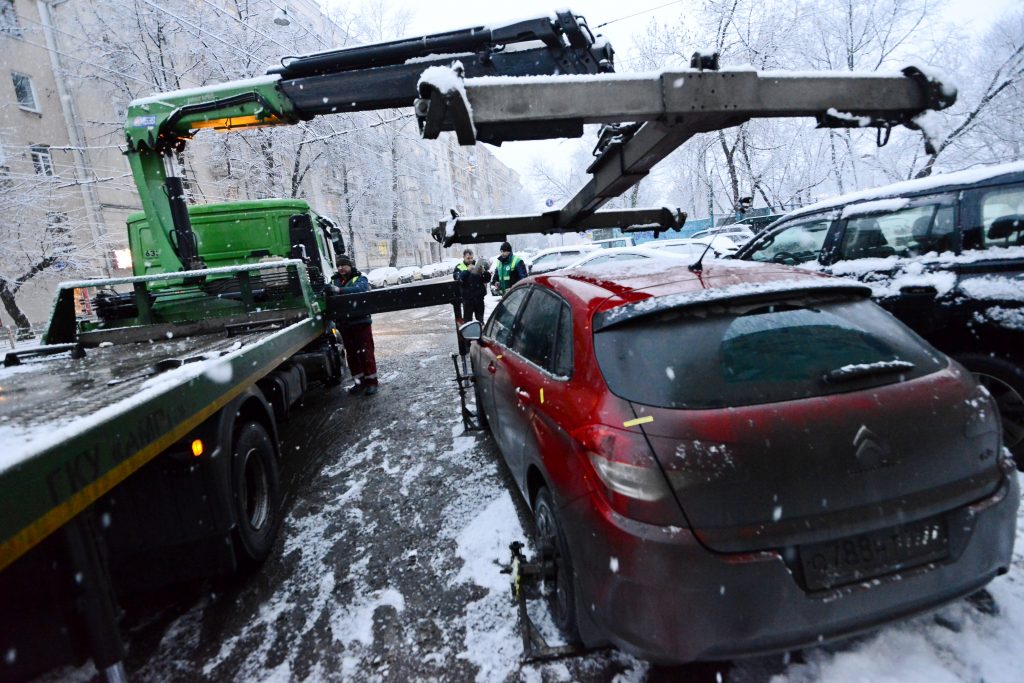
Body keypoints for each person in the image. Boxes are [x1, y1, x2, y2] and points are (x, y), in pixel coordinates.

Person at [331, 255, 379, 396]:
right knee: (352, 355)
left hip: (361, 323)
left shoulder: (360, 278)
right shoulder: (335, 280)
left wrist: (339, 291)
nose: (341, 268)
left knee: (366, 353)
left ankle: (371, 383)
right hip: (344, 324)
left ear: (350, 265)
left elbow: (361, 290)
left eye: (343, 265)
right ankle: (359, 383)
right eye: (338, 266)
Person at [455, 249, 488, 323]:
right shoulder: (459, 267)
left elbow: (487, 279)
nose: (470, 260)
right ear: (463, 257)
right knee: (468, 322)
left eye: (471, 258)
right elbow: (458, 279)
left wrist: (484, 272)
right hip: (467, 300)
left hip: (479, 299)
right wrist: (467, 270)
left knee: (480, 321)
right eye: (468, 258)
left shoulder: (477, 265)